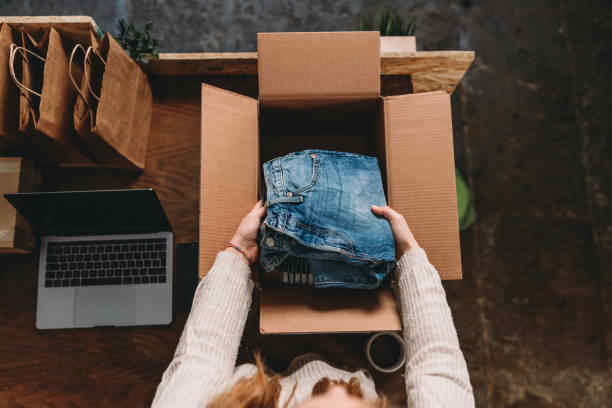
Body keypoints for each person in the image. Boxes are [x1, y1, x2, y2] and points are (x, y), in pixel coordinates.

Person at [151, 202, 474, 408]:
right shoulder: (358, 390)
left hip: (259, 383)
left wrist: (238, 253)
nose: (337, 390)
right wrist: (410, 256)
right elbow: (440, 368)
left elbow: (201, 358)